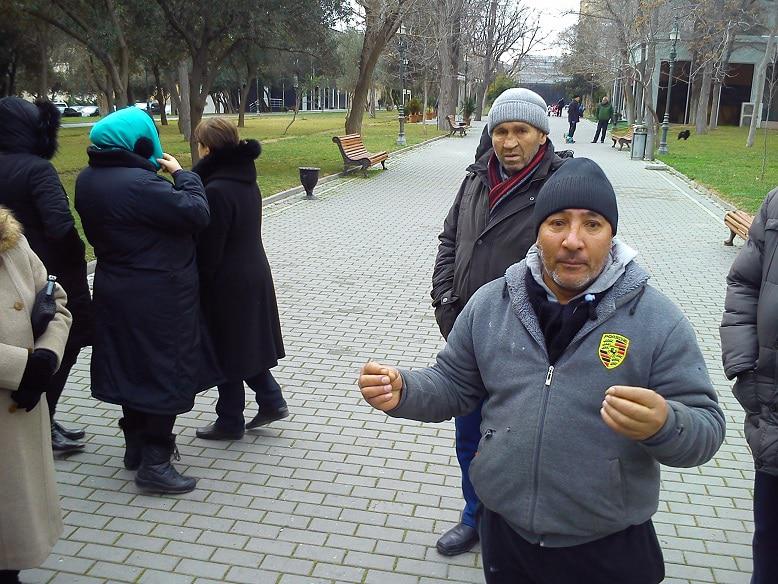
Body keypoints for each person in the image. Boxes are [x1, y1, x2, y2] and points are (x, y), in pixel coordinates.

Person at [360, 157, 726, 584]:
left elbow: (706, 427)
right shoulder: (491, 303)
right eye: (557, 223)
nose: (572, 240)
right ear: (537, 232)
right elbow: (454, 384)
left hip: (608, 543)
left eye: (592, 224)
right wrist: (404, 390)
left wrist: (665, 424)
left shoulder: (656, 320)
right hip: (506, 532)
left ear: (612, 235)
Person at [431, 87, 565, 556]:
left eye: (520, 131)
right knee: (469, 437)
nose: (509, 142)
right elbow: (450, 239)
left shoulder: (560, 186)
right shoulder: (475, 178)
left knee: (520, 443)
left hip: (529, 346)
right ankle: (475, 516)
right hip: (468, 337)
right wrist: (445, 299)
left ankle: (521, 526)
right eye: (501, 131)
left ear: (541, 134)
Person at [75, 107, 222, 494]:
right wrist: (184, 175)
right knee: (164, 371)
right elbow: (197, 213)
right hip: (160, 295)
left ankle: (135, 446)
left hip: (115, 289)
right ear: (140, 143)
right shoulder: (140, 185)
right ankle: (156, 462)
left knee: (131, 367)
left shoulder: (88, 179)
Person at [0, 96, 92, 453]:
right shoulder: (37, 169)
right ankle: (44, 418)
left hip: (8, 281)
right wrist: (75, 258)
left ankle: (43, 420)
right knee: (59, 347)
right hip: (46, 277)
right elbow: (61, 226)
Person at [191, 117, 289, 441]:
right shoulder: (245, 179)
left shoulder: (216, 189)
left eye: (200, 144)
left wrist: (198, 279)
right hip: (253, 271)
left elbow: (211, 247)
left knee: (225, 348)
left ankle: (230, 419)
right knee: (242, 345)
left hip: (227, 280)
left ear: (208, 148)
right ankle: (270, 400)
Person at [0, 207, 72, 584]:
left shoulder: (12, 242)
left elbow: (55, 302)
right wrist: (20, 368)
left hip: (19, 415)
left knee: (14, 524)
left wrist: (46, 356)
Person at [721, 187, 778, 584]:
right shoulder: (776, 205)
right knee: (770, 546)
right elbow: (744, 283)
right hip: (774, 417)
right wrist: (745, 366)